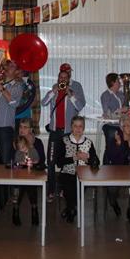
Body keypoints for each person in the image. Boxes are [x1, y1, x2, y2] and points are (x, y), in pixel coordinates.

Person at [41, 63, 86, 201]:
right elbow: (44, 103)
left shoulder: (76, 86)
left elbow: (80, 106)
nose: (63, 79)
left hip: (68, 132)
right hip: (55, 131)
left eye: (66, 76)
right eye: (61, 76)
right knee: (51, 161)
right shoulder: (55, 88)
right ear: (58, 77)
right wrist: (53, 91)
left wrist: (70, 94)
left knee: (67, 162)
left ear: (70, 75)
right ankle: (51, 190)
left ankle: (63, 189)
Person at [103, 114, 130, 225]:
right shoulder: (115, 140)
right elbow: (112, 158)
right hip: (117, 172)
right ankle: (113, 204)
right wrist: (119, 145)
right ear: (121, 128)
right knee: (111, 189)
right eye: (127, 125)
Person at [56, 115, 99, 223]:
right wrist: (74, 158)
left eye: (80, 126)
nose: (78, 129)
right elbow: (59, 162)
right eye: (75, 126)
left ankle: (70, 209)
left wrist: (87, 157)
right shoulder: (64, 140)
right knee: (68, 187)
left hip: (84, 173)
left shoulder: (88, 142)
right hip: (67, 172)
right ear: (71, 127)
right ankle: (72, 209)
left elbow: (96, 162)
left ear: (83, 128)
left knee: (78, 187)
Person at [10, 118, 45, 227]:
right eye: (20, 127)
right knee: (19, 185)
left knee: (30, 184)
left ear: (31, 129)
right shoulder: (15, 141)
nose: (22, 130)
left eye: (25, 127)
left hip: (32, 171)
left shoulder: (37, 142)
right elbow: (11, 158)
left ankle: (34, 210)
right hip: (18, 170)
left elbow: (42, 159)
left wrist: (30, 147)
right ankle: (16, 210)